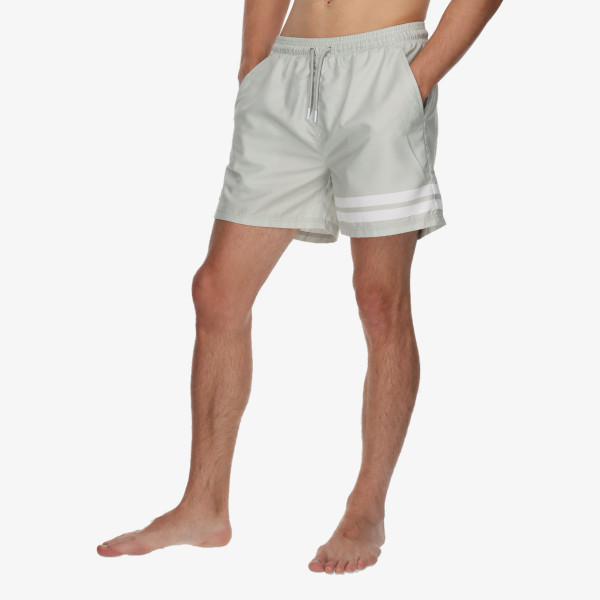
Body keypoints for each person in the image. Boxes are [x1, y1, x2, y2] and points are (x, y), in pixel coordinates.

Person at [97, 0, 503, 574]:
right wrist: (253, 66)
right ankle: (204, 505)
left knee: (379, 301)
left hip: (385, 68)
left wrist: (418, 78)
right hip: (285, 70)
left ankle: (366, 510)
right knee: (217, 293)